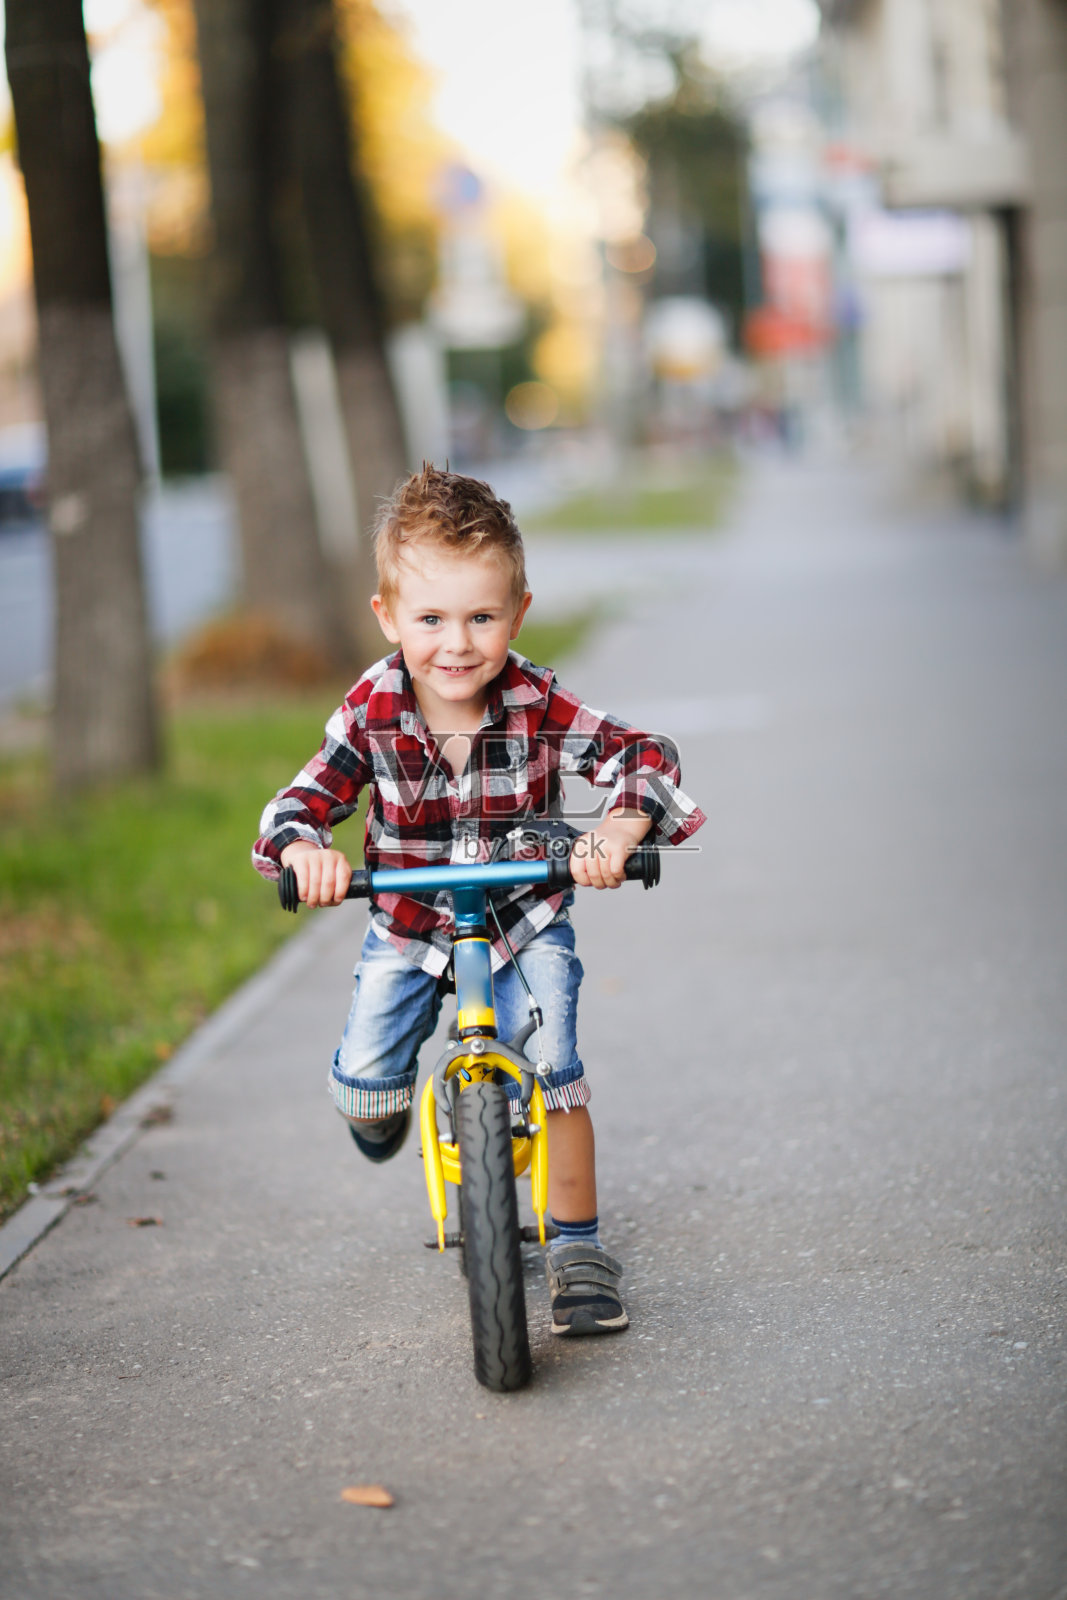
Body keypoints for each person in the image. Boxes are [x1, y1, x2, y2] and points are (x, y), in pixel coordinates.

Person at [253, 466, 705, 1335]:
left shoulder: (535, 700)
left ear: (517, 614)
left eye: (481, 617)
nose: (455, 644)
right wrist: (304, 848)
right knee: (366, 1086)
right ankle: (378, 1110)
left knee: (559, 1071)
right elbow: (297, 803)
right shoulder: (371, 708)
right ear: (387, 617)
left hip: (520, 922)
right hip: (409, 922)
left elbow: (641, 753)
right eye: (429, 619)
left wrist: (616, 827)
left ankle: (576, 1245)